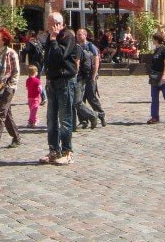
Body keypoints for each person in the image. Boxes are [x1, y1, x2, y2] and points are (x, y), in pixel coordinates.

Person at [39, 13, 80, 164]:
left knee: (65, 119)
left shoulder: (68, 37)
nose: (47, 27)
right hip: (52, 82)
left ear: (58, 24)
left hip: (65, 82)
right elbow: (48, 59)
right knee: (51, 120)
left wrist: (54, 39)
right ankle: (53, 151)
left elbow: (59, 56)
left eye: (49, 24)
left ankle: (67, 152)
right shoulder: (51, 37)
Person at [75, 27, 106, 129]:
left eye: (80, 34)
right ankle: (83, 121)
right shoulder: (77, 46)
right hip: (81, 76)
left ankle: (100, 114)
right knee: (81, 99)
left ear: (85, 35)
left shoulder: (90, 46)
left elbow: (96, 61)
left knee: (91, 97)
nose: (78, 36)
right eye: (77, 34)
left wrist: (94, 75)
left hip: (90, 75)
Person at [24, 57, 42, 129]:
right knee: (34, 110)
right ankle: (31, 122)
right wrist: (40, 92)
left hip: (29, 97)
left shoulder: (27, 80)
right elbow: (40, 89)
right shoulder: (37, 80)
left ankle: (35, 120)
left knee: (32, 110)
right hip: (36, 97)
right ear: (35, 72)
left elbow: (27, 88)